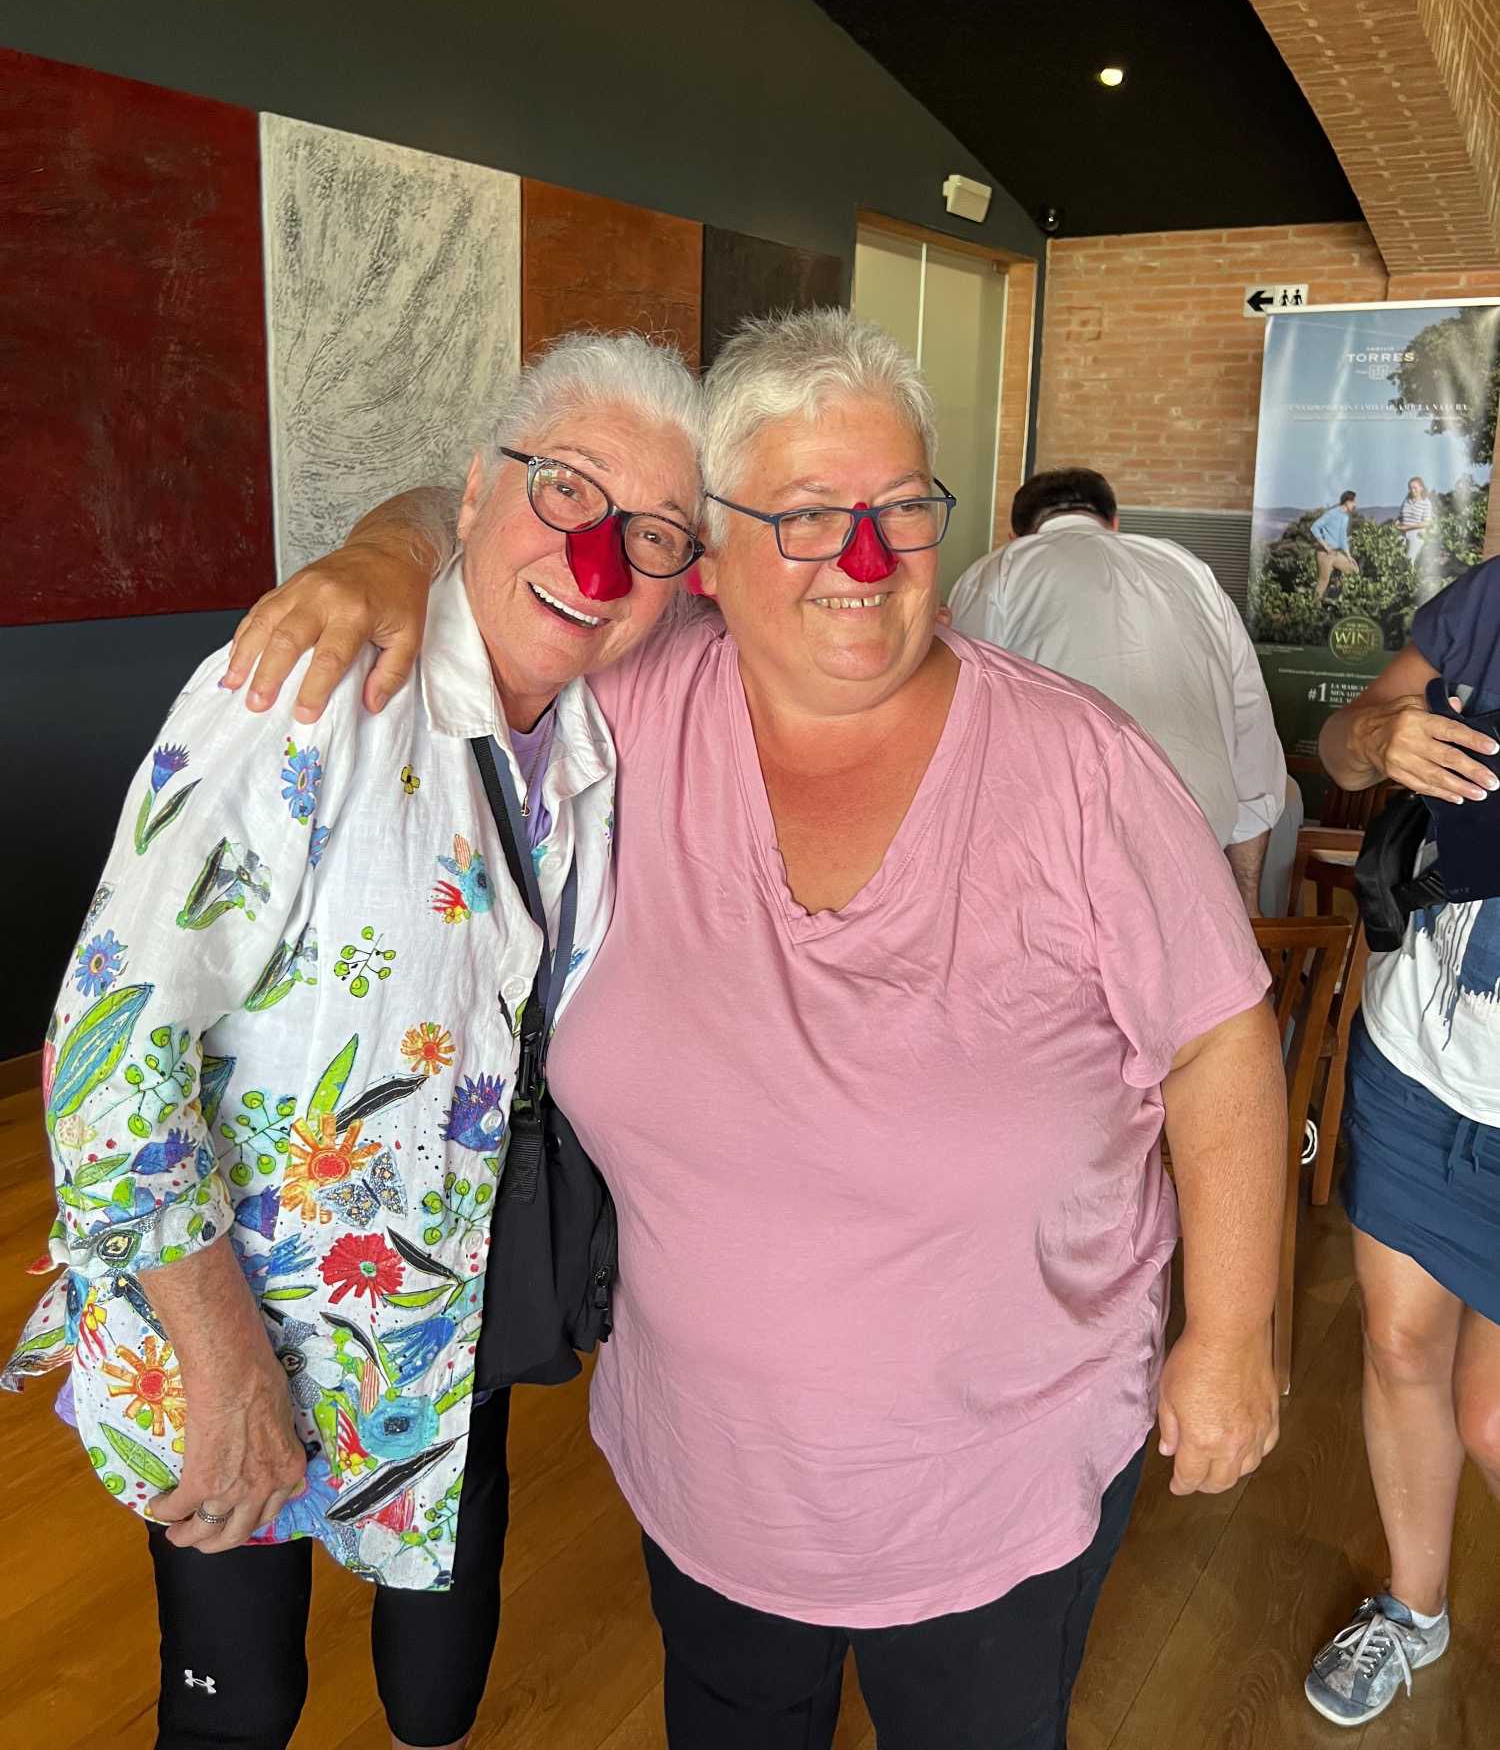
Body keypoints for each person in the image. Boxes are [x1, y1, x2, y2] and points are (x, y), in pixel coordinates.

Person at [224, 309, 1287, 1750]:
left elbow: (1219, 1038)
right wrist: (376, 554)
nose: (865, 558)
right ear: (710, 560)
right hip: (712, 1470)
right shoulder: (629, 706)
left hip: (996, 1472)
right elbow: (491, 517)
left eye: (900, 508)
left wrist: (1232, 1333)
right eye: (804, 516)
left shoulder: (1080, 767)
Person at [2, 334, 705, 1750]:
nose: (600, 558)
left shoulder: (594, 743)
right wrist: (223, 1364)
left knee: (441, 1678)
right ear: (478, 491)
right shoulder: (308, 687)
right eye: (568, 489)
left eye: (655, 531)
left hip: (455, 1310)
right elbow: (110, 1049)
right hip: (234, 1321)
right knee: (237, 1703)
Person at [1303, 554, 1500, 1728]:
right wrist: (1383, 738)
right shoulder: (1491, 601)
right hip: (1422, 1053)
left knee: (1493, 1416)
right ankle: (1414, 1606)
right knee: (1398, 1341)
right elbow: (1340, 745)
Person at [947, 467, 1286, 916]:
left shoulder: (996, 572)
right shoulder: (1189, 570)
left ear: (1015, 536)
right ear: (1114, 522)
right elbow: (1252, 743)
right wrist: (1246, 908)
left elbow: (956, 726)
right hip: (1194, 861)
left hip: (1052, 875)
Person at [1397, 475, 1445, 608]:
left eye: (1415, 487)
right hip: (1403, 533)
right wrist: (1397, 522)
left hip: (1417, 533)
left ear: (1421, 488)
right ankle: (1397, 584)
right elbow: (1400, 516)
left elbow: (1426, 523)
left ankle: (1409, 588)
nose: (1412, 490)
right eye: (1410, 488)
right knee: (1395, 554)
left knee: (1409, 559)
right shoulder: (1407, 500)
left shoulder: (1426, 502)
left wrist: (1408, 527)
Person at [1312, 488, 1360, 602]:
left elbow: (1342, 537)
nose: (1355, 505)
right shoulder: (1332, 513)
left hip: (1335, 553)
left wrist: (1348, 556)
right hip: (1324, 554)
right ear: (1347, 502)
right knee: (1323, 582)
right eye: (1353, 502)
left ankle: (1336, 599)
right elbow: (1314, 527)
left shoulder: (1345, 517)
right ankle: (1313, 607)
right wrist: (1325, 545)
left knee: (1354, 570)